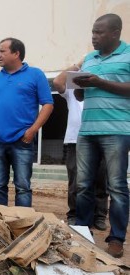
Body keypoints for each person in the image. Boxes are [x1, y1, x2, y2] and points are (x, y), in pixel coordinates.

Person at [72, 13, 130, 258]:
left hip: (117, 130)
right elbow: (81, 96)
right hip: (87, 131)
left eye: (99, 32)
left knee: (116, 186)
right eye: (93, 32)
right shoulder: (89, 58)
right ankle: (83, 235)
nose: (94, 37)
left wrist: (99, 82)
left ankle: (116, 239)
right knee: (82, 185)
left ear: (115, 33)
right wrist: (79, 87)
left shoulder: (128, 55)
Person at [0, 38, 54, 207]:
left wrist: (33, 130)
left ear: (16, 53)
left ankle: (22, 226)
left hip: (23, 140)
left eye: (2, 51)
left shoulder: (35, 74)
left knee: (22, 187)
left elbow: (48, 104)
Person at [52, 63, 109, 230]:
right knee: (76, 181)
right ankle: (74, 214)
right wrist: (79, 63)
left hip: (100, 139)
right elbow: (57, 82)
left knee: (100, 179)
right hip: (74, 141)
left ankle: (99, 216)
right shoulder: (72, 90)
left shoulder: (101, 89)